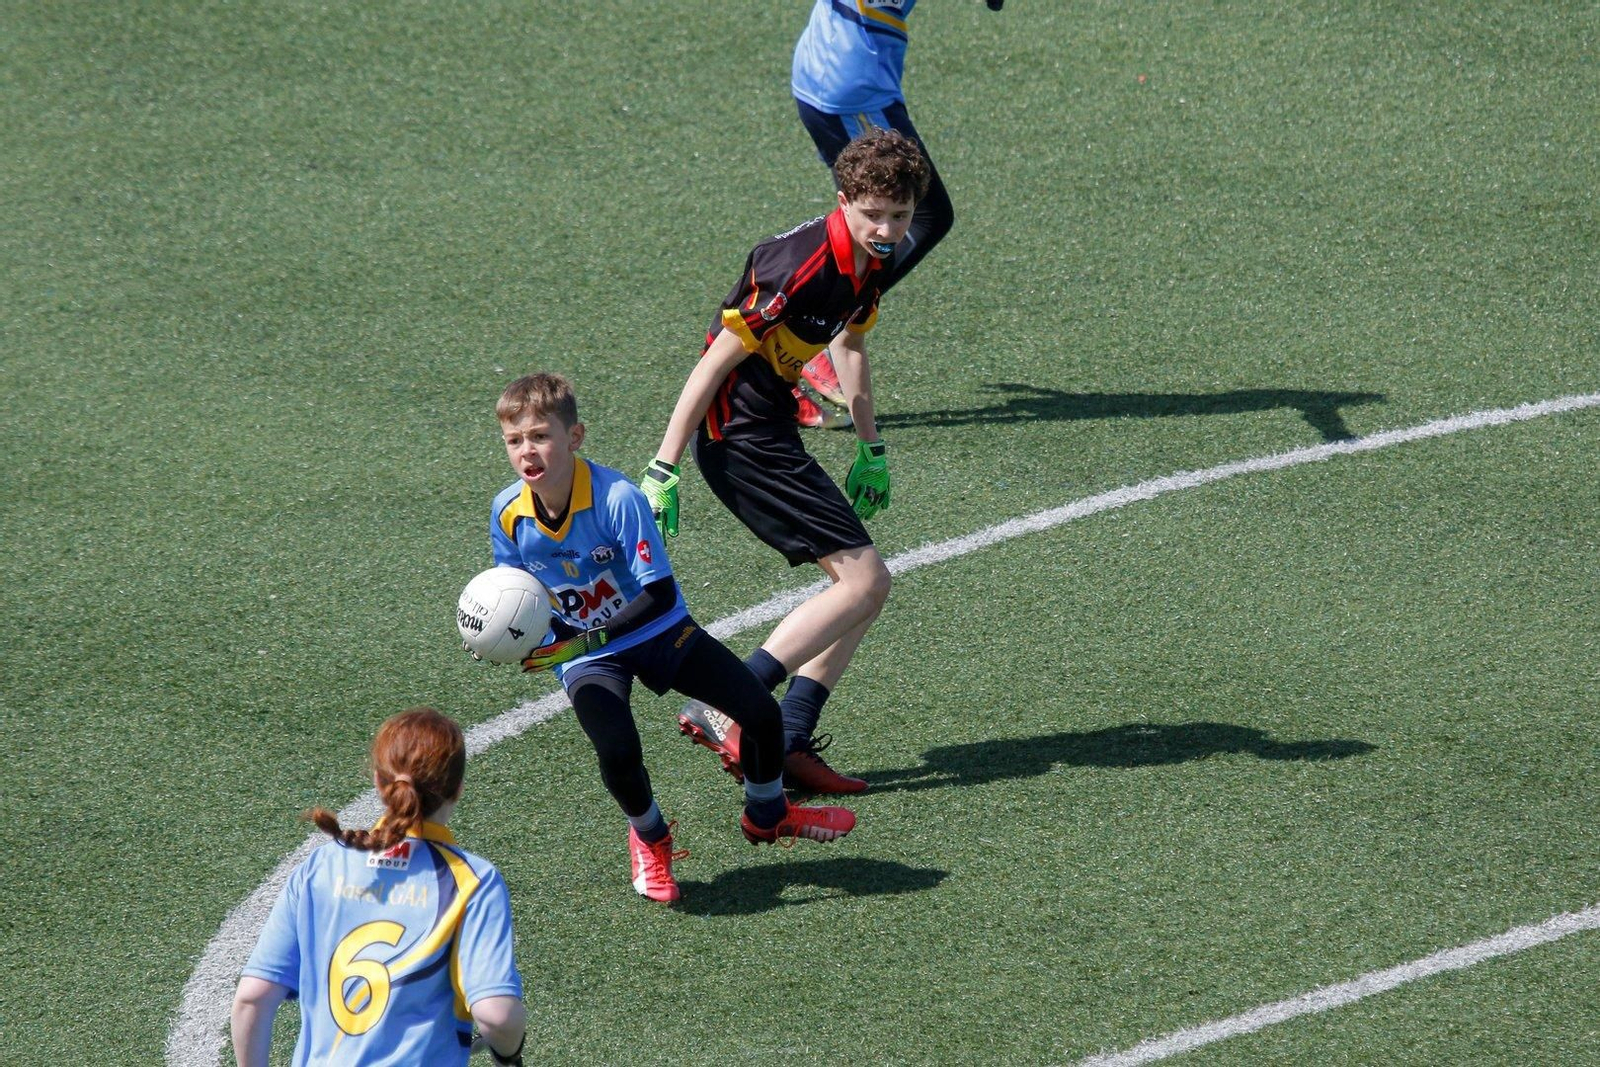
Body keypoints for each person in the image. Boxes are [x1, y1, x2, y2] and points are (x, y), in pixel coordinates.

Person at [487, 372, 855, 903]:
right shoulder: (507, 513)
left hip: (657, 631)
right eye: (515, 440)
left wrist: (578, 643)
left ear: (574, 437)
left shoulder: (618, 498)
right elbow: (514, 593)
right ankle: (651, 837)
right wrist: (512, 636)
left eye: (540, 436)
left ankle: (768, 814)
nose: (527, 451)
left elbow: (656, 597)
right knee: (616, 749)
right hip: (588, 652)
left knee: (761, 713)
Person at [640, 129, 930, 796]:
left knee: (866, 588)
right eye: (873, 214)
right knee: (862, 583)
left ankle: (789, 735)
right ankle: (728, 703)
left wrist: (871, 445)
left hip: (770, 427)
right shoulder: (796, 263)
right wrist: (664, 464)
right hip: (740, 437)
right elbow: (714, 360)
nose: (886, 229)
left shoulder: (874, 259)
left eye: (900, 216)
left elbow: (850, 346)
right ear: (843, 201)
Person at [231, 708, 528, 1067]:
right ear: (458, 788)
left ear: (378, 781)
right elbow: (497, 1016)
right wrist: (508, 1054)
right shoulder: (473, 880)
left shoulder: (321, 867)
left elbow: (253, 998)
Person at [788, 0, 1002, 427]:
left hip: (834, 75)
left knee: (867, 223)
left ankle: (799, 341)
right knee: (918, 215)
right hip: (852, 87)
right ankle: (800, 341)